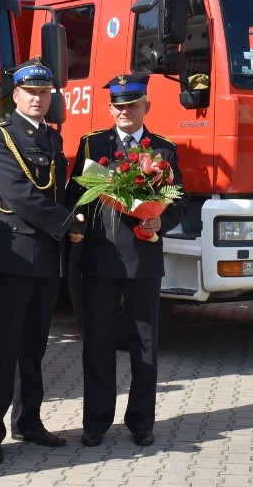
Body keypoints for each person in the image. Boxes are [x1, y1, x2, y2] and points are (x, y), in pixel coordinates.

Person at [65, 72, 188, 448]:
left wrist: (161, 220)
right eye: (118, 105)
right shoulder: (92, 145)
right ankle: (96, 422)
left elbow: (180, 201)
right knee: (98, 344)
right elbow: (74, 195)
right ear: (110, 108)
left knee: (144, 345)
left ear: (146, 107)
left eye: (132, 105)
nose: (124, 111)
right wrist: (75, 222)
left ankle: (141, 422)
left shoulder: (162, 149)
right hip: (101, 260)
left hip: (144, 259)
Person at [0, 57, 84, 464]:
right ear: (16, 94)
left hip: (46, 257)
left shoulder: (53, 139)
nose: (38, 98)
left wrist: (80, 213)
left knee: (33, 347)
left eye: (44, 92)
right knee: (1, 347)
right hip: (15, 253)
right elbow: (19, 194)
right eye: (31, 92)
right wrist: (69, 223)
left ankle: (30, 422)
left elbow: (58, 192)